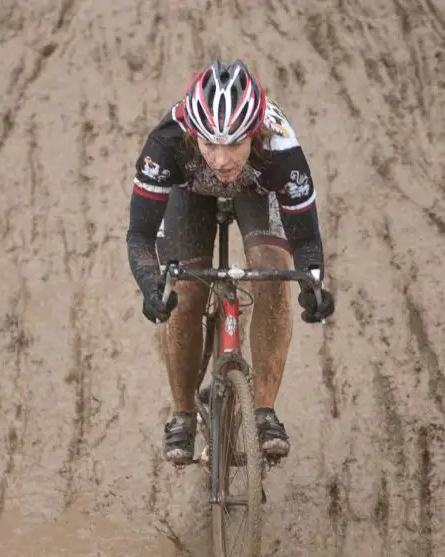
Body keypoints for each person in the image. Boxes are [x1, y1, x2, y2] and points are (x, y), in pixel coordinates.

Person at [126, 59, 334, 466]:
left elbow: (306, 238)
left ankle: (265, 413)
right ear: (193, 136)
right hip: (188, 192)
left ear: (255, 133)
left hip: (258, 187)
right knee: (183, 290)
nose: (221, 159)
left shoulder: (280, 147)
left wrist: (314, 284)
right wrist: (151, 284)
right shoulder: (166, 143)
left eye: (234, 144)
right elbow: (140, 236)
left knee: (273, 268)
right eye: (209, 144)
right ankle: (183, 415)